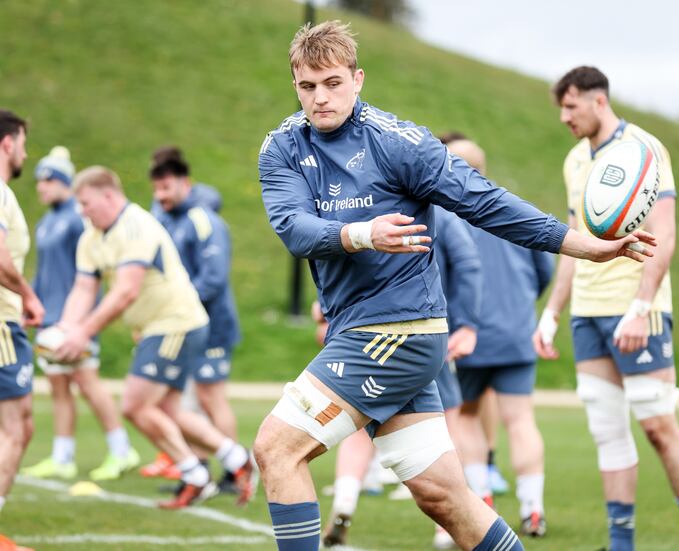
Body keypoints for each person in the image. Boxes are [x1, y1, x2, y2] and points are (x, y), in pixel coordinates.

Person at [255, 21, 655, 551]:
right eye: (307, 86)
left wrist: (583, 244)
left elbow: (486, 202)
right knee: (444, 497)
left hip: (397, 331)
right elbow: (294, 228)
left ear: (358, 79)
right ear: (295, 86)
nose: (320, 98)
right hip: (364, 331)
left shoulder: (400, 144)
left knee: (276, 449)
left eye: (332, 83)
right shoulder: (281, 147)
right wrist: (362, 233)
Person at [533, 66, 679, 551]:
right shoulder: (574, 160)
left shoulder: (645, 150)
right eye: (561, 108)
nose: (565, 117)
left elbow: (666, 234)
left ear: (598, 100)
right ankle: (621, 544)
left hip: (637, 310)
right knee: (606, 428)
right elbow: (573, 243)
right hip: (587, 313)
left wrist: (640, 306)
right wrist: (551, 314)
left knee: (656, 424)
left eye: (571, 106)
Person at [53, 166, 254, 509]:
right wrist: (65, 330)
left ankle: (194, 473)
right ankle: (236, 459)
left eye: (86, 203)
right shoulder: (91, 236)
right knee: (168, 409)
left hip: (176, 323)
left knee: (133, 404)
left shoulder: (136, 224)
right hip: (159, 326)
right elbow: (84, 287)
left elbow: (126, 290)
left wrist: (83, 333)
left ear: (108, 195)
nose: (82, 211)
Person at [322, 176, 482, 550]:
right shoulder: (439, 210)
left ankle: (344, 504)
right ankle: (448, 527)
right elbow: (468, 264)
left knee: (361, 424)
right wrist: (468, 325)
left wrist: (328, 318)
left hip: (369, 335)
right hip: (422, 333)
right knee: (449, 424)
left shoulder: (365, 202)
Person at [445, 137, 554, 539]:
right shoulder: (511, 208)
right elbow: (544, 270)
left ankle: (484, 500)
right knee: (521, 420)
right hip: (516, 331)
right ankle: (533, 508)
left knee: (468, 418)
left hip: (467, 335)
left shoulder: (446, 215)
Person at [22, 146, 139, 482]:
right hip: (50, 318)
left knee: (87, 383)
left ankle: (121, 450)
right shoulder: (47, 221)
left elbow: (91, 273)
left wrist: (82, 322)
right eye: (38, 181)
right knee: (58, 387)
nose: (41, 187)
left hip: (75, 318)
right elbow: (44, 272)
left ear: (64, 182)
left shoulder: (78, 218)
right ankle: (63, 456)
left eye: (48, 180)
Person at [148, 146, 242, 493]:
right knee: (183, 400)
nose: (160, 196)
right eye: (156, 190)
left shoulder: (204, 220)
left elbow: (213, 279)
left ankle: (236, 472)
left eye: (166, 188)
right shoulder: (165, 219)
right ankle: (199, 470)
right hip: (184, 326)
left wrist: (176, 306)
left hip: (212, 326)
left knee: (210, 398)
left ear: (184, 184)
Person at [0, 109, 44, 551]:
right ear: (8, 143)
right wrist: (29, 296)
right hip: (1, 323)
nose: (26, 153)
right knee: (18, 426)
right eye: (24, 143)